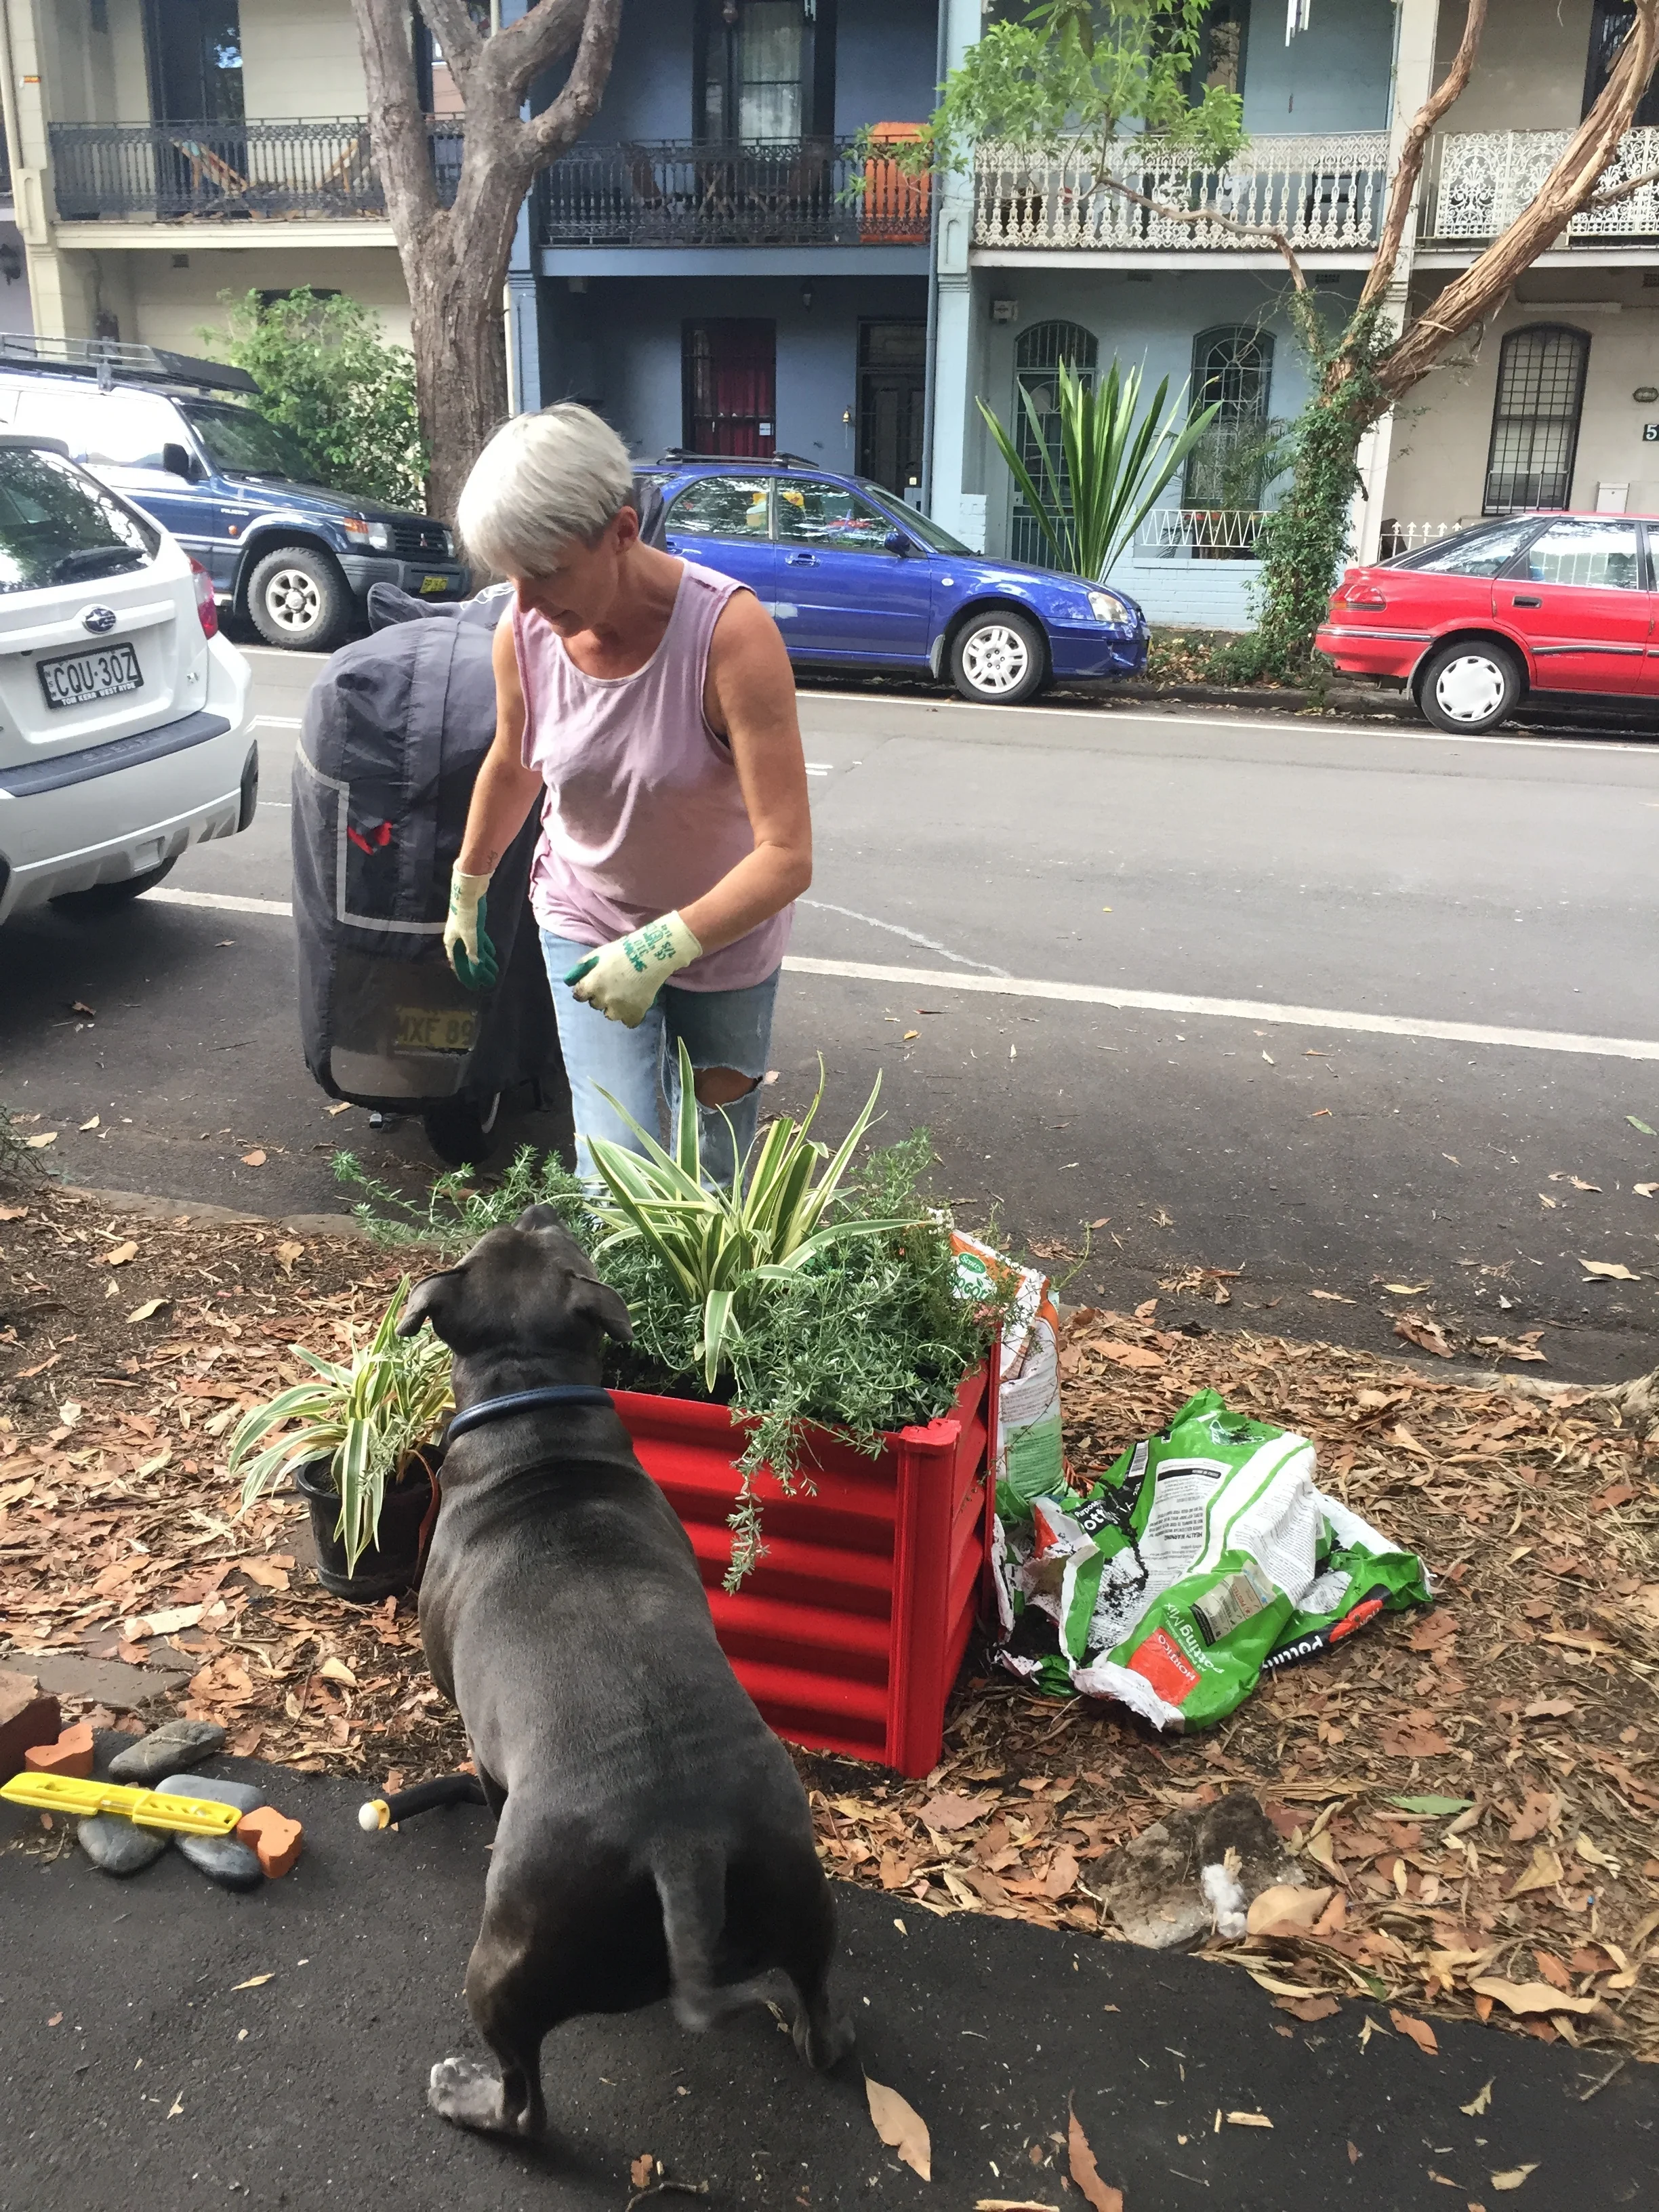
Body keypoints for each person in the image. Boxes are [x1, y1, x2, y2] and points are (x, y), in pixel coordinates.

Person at [442, 404, 811, 1184]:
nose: (529, 604)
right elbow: (516, 761)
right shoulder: (525, 631)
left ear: (621, 531)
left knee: (716, 1170)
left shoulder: (730, 637)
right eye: (512, 576)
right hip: (585, 913)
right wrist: (468, 885)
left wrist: (661, 947)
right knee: (617, 1173)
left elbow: (786, 856)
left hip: (725, 935)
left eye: (547, 572)